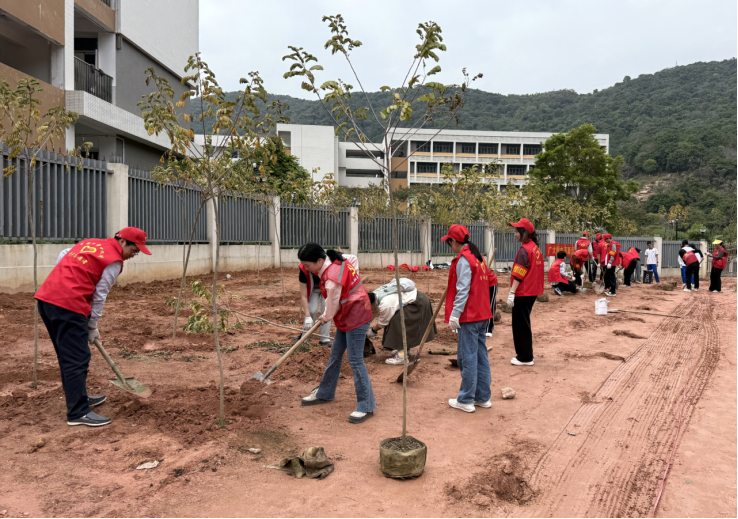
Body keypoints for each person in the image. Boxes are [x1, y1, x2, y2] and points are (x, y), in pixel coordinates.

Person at [34, 228, 152, 427]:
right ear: (123, 242)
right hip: (69, 306)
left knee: (67, 356)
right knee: (77, 359)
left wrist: (64, 280)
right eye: (134, 250)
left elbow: (63, 254)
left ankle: (78, 397)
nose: (134, 255)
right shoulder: (114, 261)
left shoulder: (90, 243)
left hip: (47, 300)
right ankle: (78, 412)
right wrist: (92, 326)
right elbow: (99, 296)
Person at [298, 244, 376, 424]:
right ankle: (325, 393)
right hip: (346, 313)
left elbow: (331, 305)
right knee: (335, 354)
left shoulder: (332, 278)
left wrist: (324, 318)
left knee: (355, 360)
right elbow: (353, 259)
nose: (307, 270)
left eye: (308, 266)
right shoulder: (333, 258)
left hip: (357, 314)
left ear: (319, 260)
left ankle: (366, 405)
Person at [441, 225, 493, 413]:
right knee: (480, 356)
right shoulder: (477, 257)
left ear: (454, 241)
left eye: (449, 243)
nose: (450, 247)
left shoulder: (464, 260)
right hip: (482, 314)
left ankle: (466, 399)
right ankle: (482, 397)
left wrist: (455, 313)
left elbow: (463, 290)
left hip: (470, 316)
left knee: (467, 357)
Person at [508, 218, 544, 367]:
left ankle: (525, 357)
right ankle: (526, 354)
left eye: (517, 231)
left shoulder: (525, 250)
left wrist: (512, 292)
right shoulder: (534, 247)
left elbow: (519, 273)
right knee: (524, 322)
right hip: (532, 291)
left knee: (520, 324)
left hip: (524, 292)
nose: (515, 234)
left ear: (525, 232)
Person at [366, 278, 418, 365]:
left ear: (371, 303)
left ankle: (402, 357)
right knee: (394, 319)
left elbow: (383, 323)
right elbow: (372, 312)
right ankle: (405, 350)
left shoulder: (385, 304)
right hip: (410, 297)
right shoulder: (375, 295)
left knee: (396, 322)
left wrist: (372, 331)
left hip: (416, 304)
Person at [298, 257, 332, 347]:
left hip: (327, 288)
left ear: (319, 261)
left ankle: (324, 339)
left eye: (308, 265)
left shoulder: (329, 266)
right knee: (312, 310)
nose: (306, 268)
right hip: (313, 289)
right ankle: (304, 339)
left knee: (326, 312)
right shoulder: (304, 270)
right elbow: (303, 295)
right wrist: (307, 316)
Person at [486, 267, 499, 338]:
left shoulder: (480, 262)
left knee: (490, 305)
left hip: (491, 284)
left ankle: (489, 328)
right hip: (482, 285)